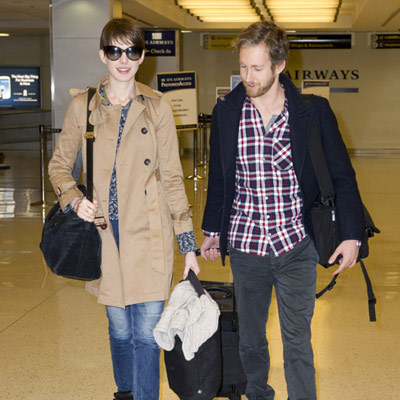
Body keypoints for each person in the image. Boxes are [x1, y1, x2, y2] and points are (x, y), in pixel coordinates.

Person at [200, 21, 365, 400]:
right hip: (246, 246)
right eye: (243, 67)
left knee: (297, 340)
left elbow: (342, 175)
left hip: (296, 244)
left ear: (279, 66)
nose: (248, 76)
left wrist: (351, 236)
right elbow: (221, 178)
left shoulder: (313, 112)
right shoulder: (227, 111)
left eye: (257, 68)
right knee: (252, 341)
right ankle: (258, 394)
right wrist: (212, 229)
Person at [48, 18, 200, 400]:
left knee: (147, 334)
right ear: (103, 54)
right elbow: (59, 166)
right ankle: (125, 392)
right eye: (115, 51)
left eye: (131, 51)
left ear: (142, 56)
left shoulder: (157, 109)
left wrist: (188, 244)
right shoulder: (82, 106)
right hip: (104, 235)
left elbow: (171, 179)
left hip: (150, 234)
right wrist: (74, 198)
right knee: (119, 330)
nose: (123, 59)